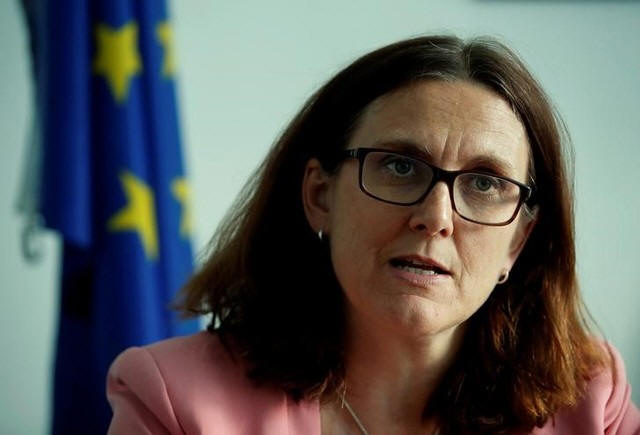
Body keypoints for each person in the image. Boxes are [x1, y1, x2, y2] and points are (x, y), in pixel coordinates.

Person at [106, 35, 640, 434]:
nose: (436, 217)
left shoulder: (591, 399)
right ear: (321, 196)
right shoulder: (173, 398)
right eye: (401, 167)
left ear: (517, 242)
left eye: (484, 183)